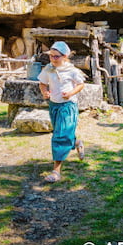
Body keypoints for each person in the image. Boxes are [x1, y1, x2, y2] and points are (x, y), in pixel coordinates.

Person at [37, 41, 86, 182]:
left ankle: (56, 171)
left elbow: (81, 84)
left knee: (59, 136)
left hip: (68, 106)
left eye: (56, 56)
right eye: (51, 56)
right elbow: (42, 83)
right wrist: (45, 92)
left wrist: (70, 93)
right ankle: (76, 143)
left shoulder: (71, 70)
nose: (53, 59)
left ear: (65, 56)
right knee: (62, 131)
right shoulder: (48, 69)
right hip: (54, 106)